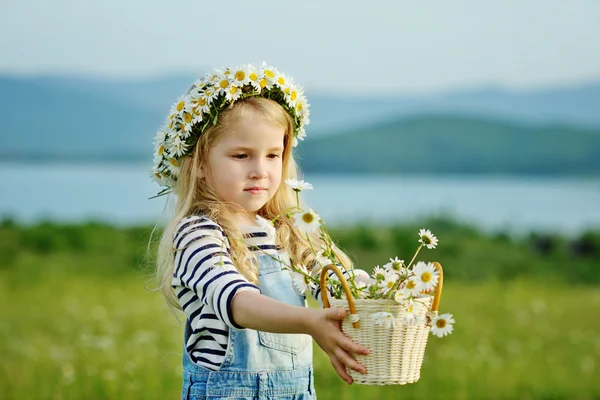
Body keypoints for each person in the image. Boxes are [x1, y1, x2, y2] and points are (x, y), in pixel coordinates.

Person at [151, 63, 369, 399]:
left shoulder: (287, 229)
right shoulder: (199, 232)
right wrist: (310, 321)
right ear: (201, 165)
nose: (260, 171)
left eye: (272, 155)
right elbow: (239, 301)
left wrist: (388, 297)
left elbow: (338, 282)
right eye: (241, 155)